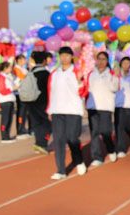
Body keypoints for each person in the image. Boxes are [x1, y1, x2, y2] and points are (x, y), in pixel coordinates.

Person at [47, 47, 87, 180]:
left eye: (67, 55)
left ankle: (78, 160)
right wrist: (49, 109)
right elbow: (50, 92)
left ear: (71, 57)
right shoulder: (54, 73)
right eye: (62, 55)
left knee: (72, 138)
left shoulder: (76, 72)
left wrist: (80, 81)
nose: (64, 58)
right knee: (58, 140)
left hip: (73, 111)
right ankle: (61, 170)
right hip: (57, 110)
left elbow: (83, 92)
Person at [85, 51, 119, 167]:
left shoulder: (112, 74)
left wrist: (114, 76)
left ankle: (110, 149)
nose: (101, 61)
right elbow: (87, 90)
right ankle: (97, 157)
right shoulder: (91, 74)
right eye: (99, 59)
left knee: (105, 132)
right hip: (92, 107)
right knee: (94, 133)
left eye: (103, 59)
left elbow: (114, 88)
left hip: (105, 107)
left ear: (107, 61)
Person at [26, 51, 52, 154]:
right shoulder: (46, 74)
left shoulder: (30, 73)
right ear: (44, 61)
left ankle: (38, 143)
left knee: (36, 123)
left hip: (30, 101)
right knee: (49, 123)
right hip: (43, 102)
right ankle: (43, 143)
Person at [0, 61, 17, 143]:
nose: (11, 69)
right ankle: (4, 137)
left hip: (9, 99)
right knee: (5, 119)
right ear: (5, 68)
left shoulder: (7, 76)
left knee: (9, 119)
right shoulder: (1, 77)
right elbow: (2, 90)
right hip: (5, 100)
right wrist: (13, 88)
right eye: (9, 67)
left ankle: (7, 135)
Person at [13, 54, 30, 138]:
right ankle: (20, 130)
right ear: (19, 60)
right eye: (23, 60)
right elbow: (23, 77)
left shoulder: (23, 68)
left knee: (24, 112)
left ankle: (23, 128)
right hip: (19, 93)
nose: (25, 61)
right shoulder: (16, 68)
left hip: (25, 92)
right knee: (21, 112)